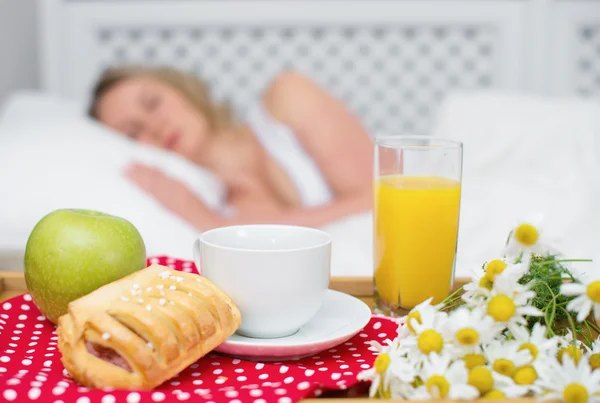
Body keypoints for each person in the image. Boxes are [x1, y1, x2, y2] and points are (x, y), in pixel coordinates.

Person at [88, 65, 374, 230]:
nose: (155, 126)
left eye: (153, 103)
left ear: (181, 88)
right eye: (133, 132)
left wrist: (215, 226)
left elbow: (377, 199)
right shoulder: (219, 206)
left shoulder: (287, 97)